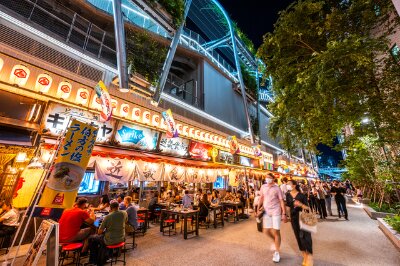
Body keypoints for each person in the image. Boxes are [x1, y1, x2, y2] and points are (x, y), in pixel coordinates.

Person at [257, 173, 287, 263]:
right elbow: (262, 197)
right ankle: (276, 241)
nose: (267, 179)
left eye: (269, 177)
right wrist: (258, 208)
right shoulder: (263, 186)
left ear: (273, 179)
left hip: (276, 211)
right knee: (266, 231)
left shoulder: (277, 188)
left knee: (276, 231)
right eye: (266, 177)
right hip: (267, 211)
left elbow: (281, 200)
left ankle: (277, 252)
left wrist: (284, 213)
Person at [88, 201, 127, 265]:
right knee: (102, 238)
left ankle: (94, 260)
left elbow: (99, 232)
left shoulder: (108, 216)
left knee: (91, 238)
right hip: (121, 238)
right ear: (118, 207)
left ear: (110, 208)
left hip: (110, 240)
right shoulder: (124, 213)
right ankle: (107, 256)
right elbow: (125, 221)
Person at [286, 180, 313, 266]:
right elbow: (288, 206)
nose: (287, 185)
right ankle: (304, 256)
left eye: (289, 184)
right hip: (294, 218)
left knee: (305, 237)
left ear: (294, 185)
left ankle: (309, 257)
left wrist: (300, 205)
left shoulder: (301, 195)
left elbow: (308, 208)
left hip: (303, 217)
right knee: (298, 236)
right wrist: (286, 215)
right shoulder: (288, 195)